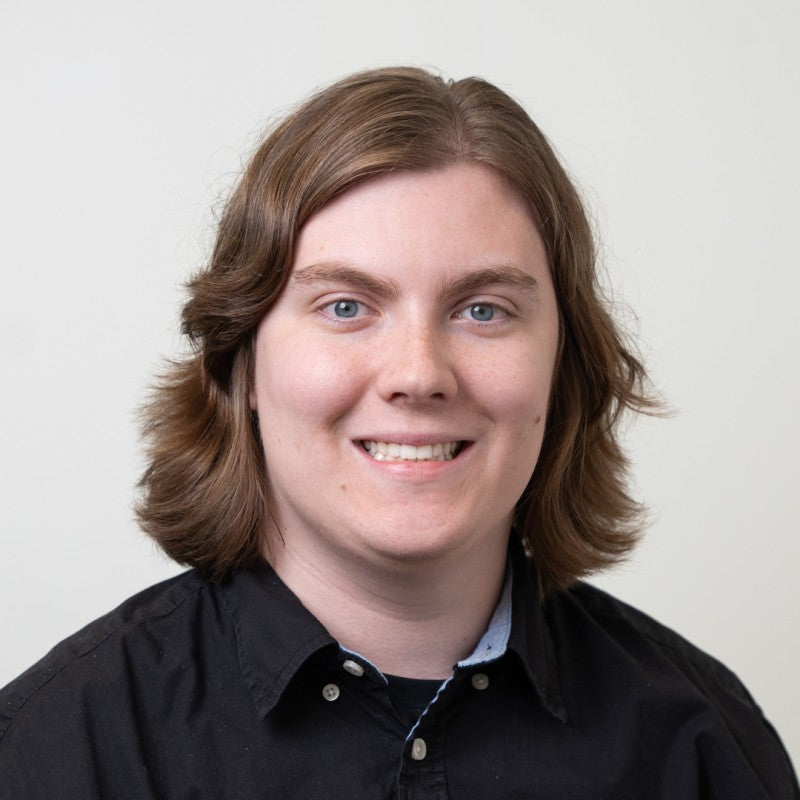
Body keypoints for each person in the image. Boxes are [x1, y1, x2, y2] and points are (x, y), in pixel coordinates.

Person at [0, 66, 796, 799]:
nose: (419, 374)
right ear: (243, 365)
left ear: (565, 365)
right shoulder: (54, 753)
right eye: (346, 306)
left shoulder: (702, 748)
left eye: (483, 310)